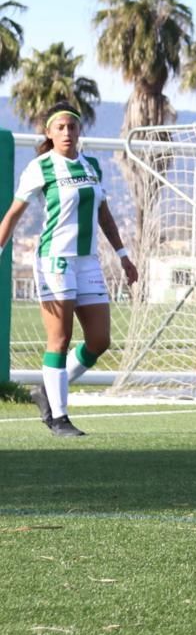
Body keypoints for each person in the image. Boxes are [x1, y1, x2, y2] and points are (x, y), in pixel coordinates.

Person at [0, 103, 138, 437]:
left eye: (72, 127)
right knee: (59, 340)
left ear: (79, 131)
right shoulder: (40, 167)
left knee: (100, 340)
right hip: (54, 260)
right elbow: (14, 214)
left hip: (88, 261)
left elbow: (104, 214)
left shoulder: (91, 166)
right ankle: (58, 418)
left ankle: (46, 391)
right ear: (49, 132)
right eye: (59, 127)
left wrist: (123, 254)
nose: (66, 132)